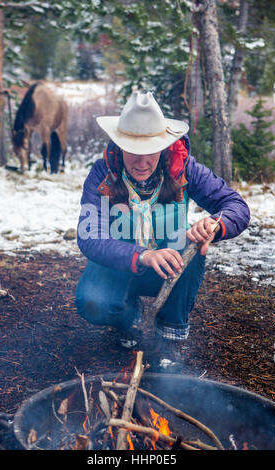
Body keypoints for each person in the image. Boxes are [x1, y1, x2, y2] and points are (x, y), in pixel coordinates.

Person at [75, 91, 250, 372]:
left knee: (189, 243)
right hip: (119, 268)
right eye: (133, 150)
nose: (142, 162)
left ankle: (169, 337)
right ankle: (127, 319)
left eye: (151, 151)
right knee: (92, 303)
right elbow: (88, 235)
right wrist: (142, 255)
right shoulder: (102, 174)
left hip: (170, 269)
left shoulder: (184, 168)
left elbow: (235, 205)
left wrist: (216, 224)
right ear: (119, 145)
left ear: (164, 146)